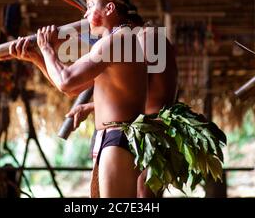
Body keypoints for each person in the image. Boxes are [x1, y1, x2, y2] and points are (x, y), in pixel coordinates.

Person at [66, 14, 178, 198]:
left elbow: (136, 89)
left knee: (143, 195)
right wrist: (91, 106)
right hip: (158, 129)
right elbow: (138, 91)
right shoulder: (156, 38)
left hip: (151, 129)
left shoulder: (145, 37)